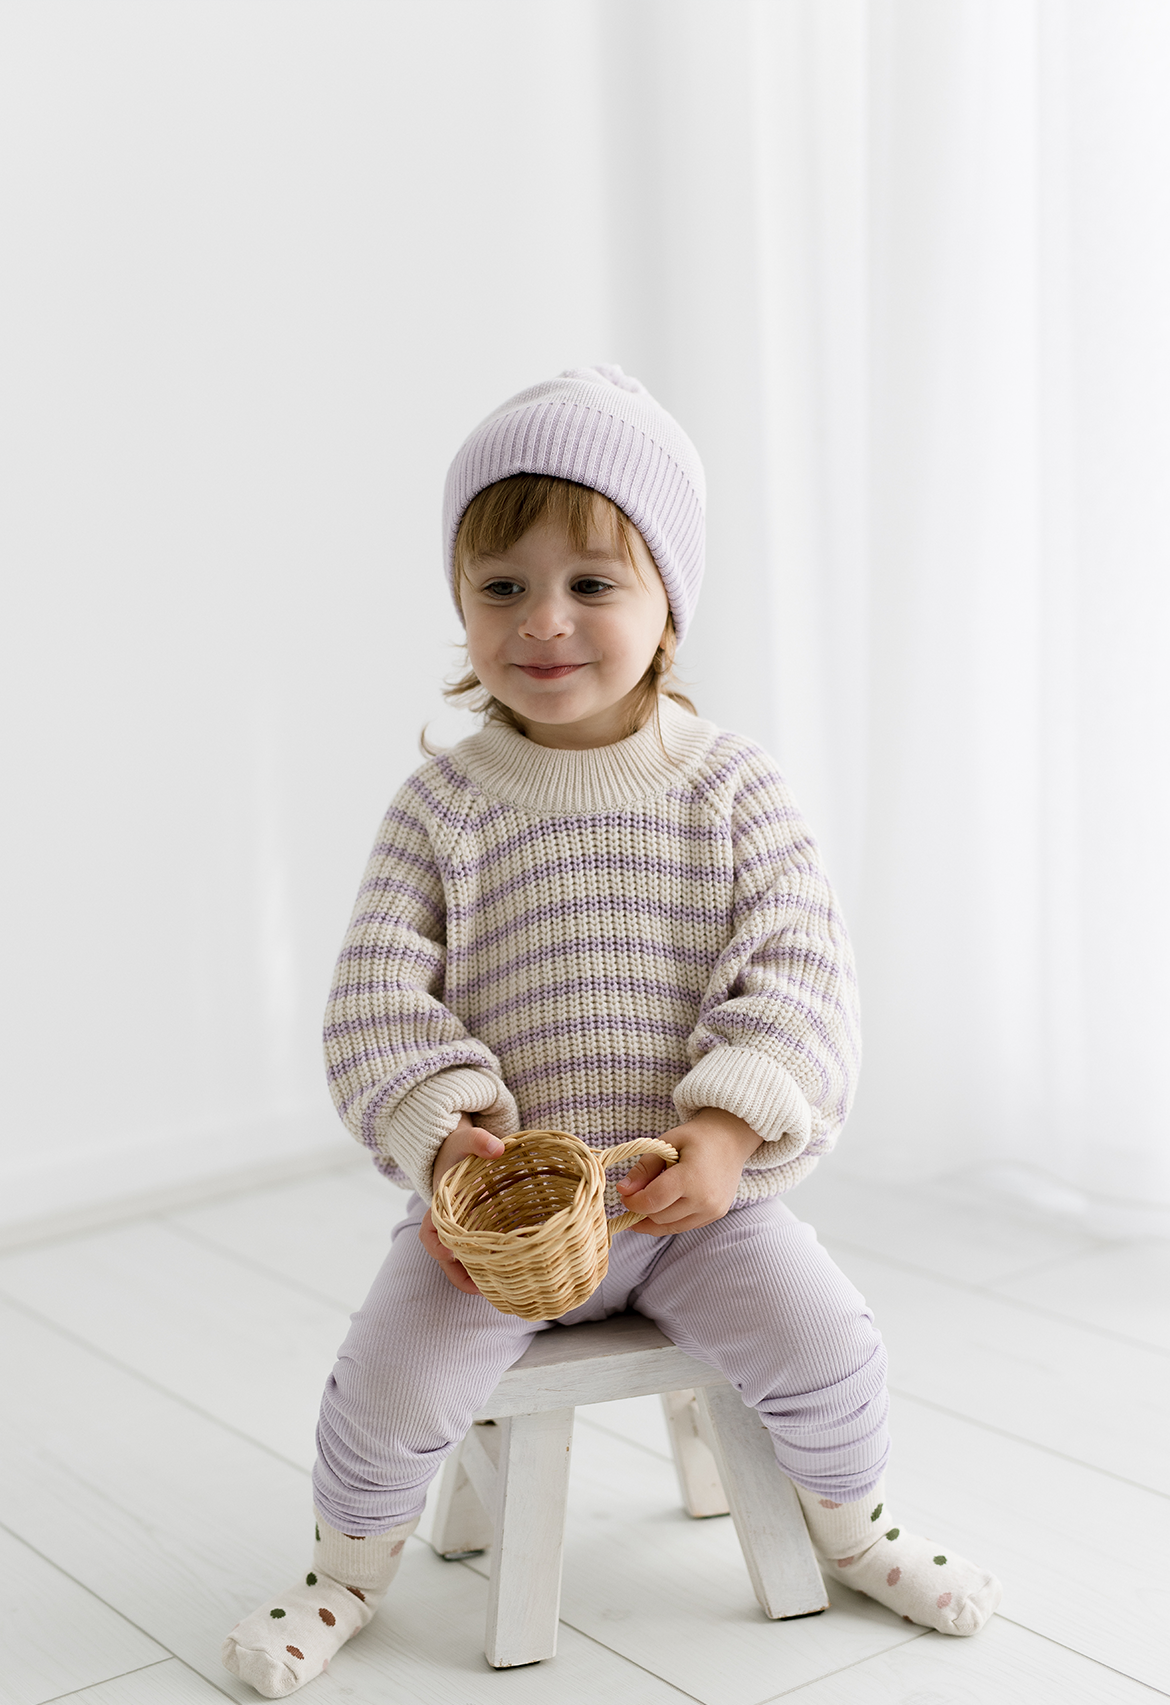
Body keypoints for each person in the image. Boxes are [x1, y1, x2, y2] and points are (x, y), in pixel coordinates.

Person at [222, 366, 1001, 1698]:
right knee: (391, 1380)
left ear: (668, 607)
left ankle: (852, 1526)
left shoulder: (728, 789)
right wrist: (448, 1140)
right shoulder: (444, 806)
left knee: (826, 1341)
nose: (545, 623)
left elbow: (801, 964)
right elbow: (372, 998)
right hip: (492, 1227)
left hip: (700, 1211)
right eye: (502, 585)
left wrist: (721, 1125)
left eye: (592, 583)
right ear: (459, 601)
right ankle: (345, 1572)